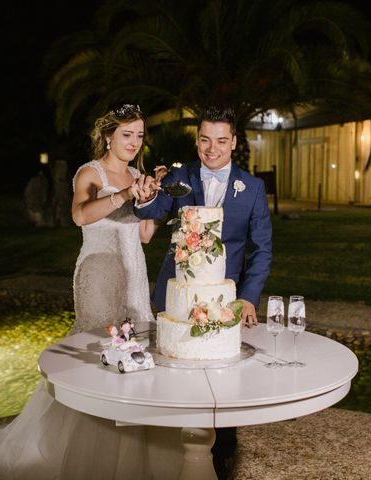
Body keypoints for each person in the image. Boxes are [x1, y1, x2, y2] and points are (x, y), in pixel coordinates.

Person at [0, 105, 182, 480]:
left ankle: (130, 459)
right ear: (109, 136)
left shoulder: (139, 175)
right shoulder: (89, 173)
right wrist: (125, 194)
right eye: (127, 134)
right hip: (98, 272)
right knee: (95, 354)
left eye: (140, 135)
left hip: (134, 274)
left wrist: (153, 201)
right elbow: (80, 215)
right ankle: (77, 454)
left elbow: (143, 235)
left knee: (136, 358)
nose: (134, 143)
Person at [134, 105, 273, 478]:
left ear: (234, 142)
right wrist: (146, 196)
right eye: (205, 139)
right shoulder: (180, 175)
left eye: (221, 141)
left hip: (226, 299)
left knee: (223, 377)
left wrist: (247, 297)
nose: (212, 149)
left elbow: (261, 250)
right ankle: (170, 447)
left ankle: (224, 448)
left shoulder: (253, 188)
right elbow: (156, 207)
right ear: (197, 140)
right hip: (175, 292)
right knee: (174, 369)